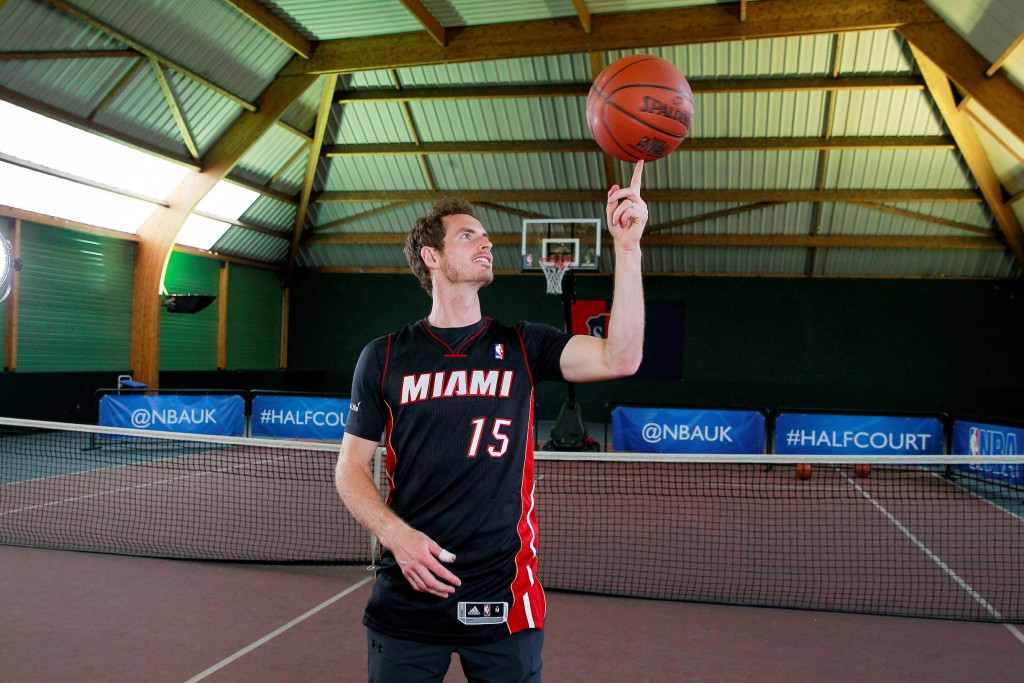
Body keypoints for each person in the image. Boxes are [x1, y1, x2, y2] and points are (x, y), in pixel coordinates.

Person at [335, 161, 648, 682]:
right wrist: (395, 535)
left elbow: (622, 357)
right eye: (468, 235)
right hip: (408, 596)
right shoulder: (384, 357)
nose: (486, 243)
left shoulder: (524, 345)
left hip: (505, 598)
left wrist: (629, 249)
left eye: (485, 236)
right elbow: (349, 467)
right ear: (432, 256)